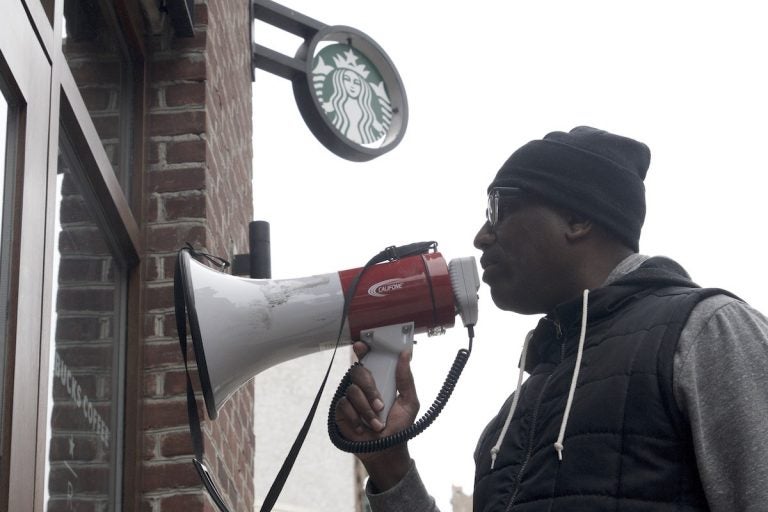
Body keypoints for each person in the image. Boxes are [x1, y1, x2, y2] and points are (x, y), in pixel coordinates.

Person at [333, 126, 768, 511]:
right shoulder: (508, 422)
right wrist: (389, 465)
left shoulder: (706, 332)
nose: (481, 236)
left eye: (497, 209)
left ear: (577, 218)